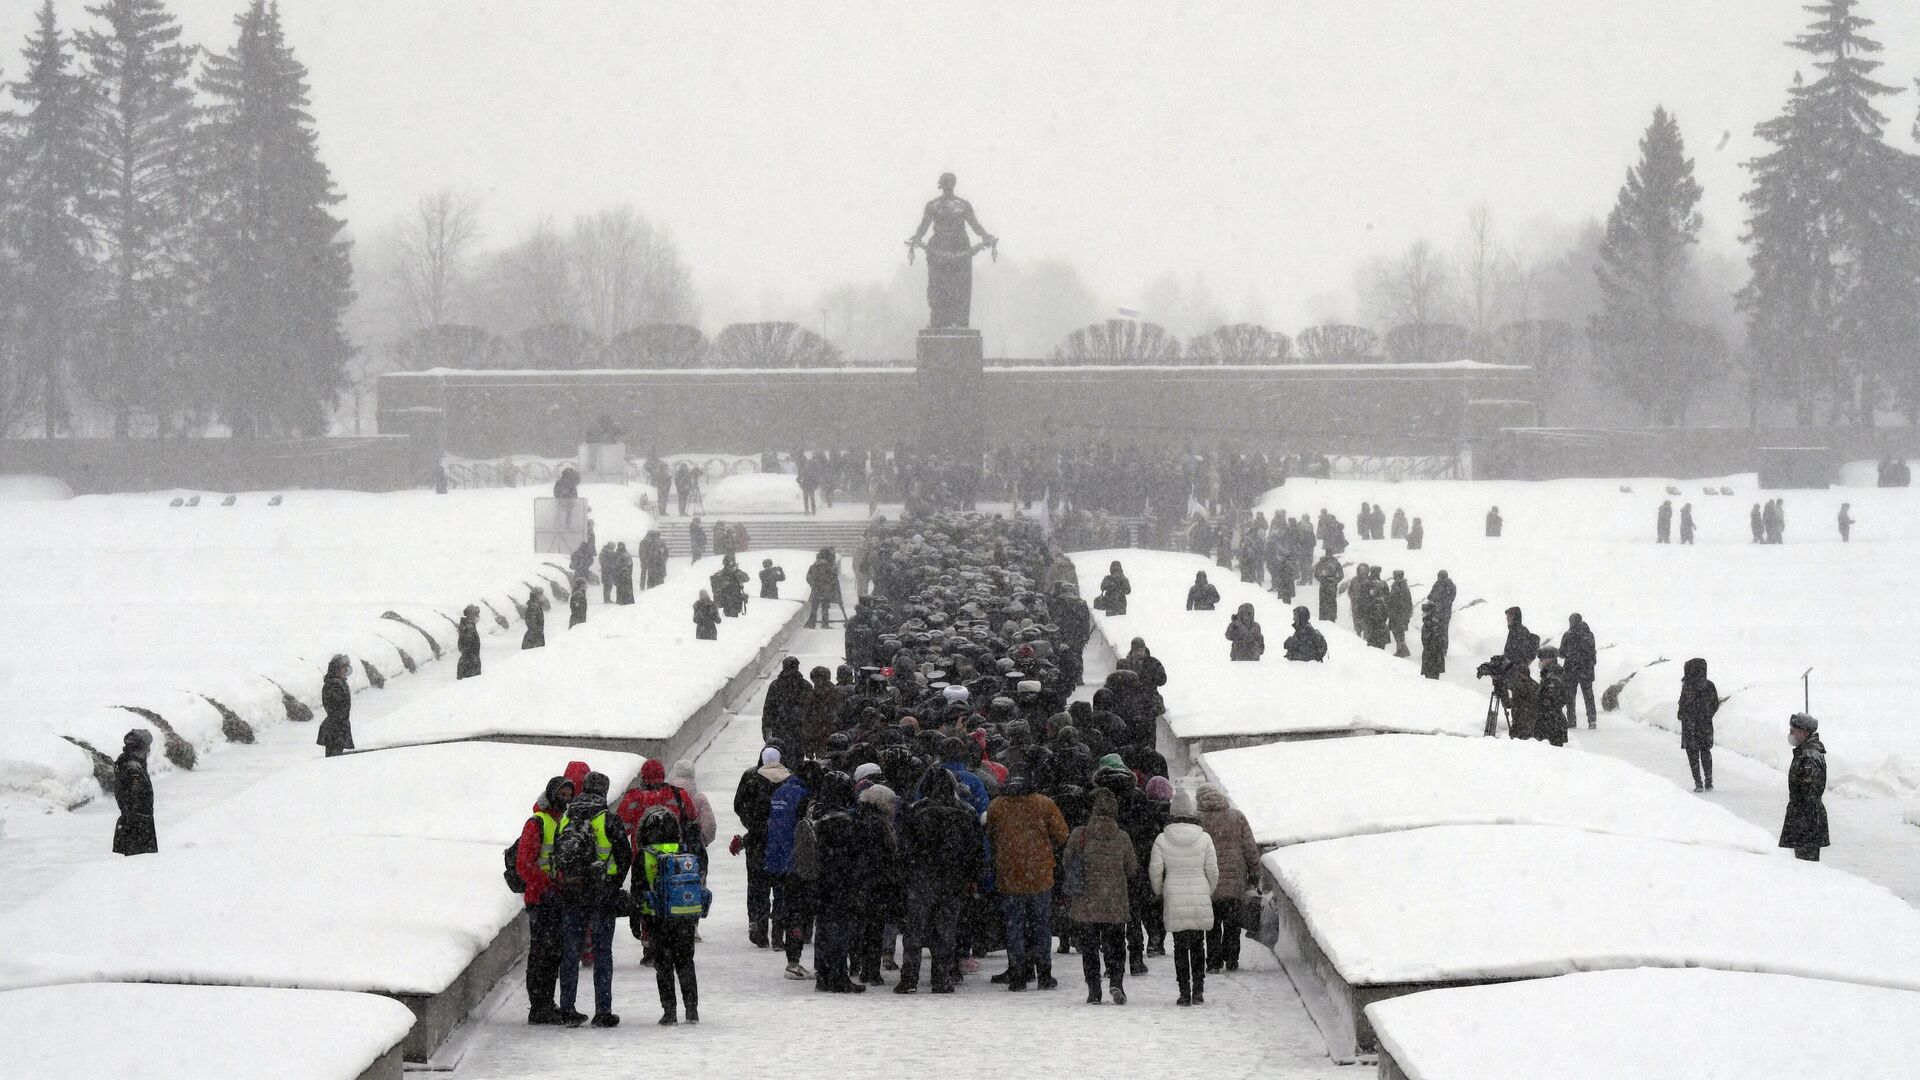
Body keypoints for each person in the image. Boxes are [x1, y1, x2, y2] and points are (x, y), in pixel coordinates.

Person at [898, 766, 983, 995]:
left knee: (914, 931)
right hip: (953, 879)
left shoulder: (916, 811)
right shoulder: (966, 812)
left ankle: (909, 978)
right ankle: (942, 977)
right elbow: (975, 850)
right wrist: (972, 876)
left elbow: (905, 849)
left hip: (921, 878)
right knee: (946, 931)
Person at [984, 771, 1070, 991]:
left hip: (1009, 875)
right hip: (1040, 875)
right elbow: (1061, 835)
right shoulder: (1045, 804)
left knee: (1015, 927)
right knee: (1041, 926)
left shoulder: (997, 805)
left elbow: (991, 834)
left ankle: (1018, 975)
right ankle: (1044, 974)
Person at [558, 771, 630, 1028]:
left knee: (570, 953)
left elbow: (559, 853)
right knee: (602, 953)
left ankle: (567, 1008)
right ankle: (603, 1011)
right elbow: (625, 855)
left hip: (571, 893)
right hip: (601, 895)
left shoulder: (566, 817)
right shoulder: (607, 819)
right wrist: (614, 884)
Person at [516, 771, 579, 1024]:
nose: (566, 799)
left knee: (553, 953)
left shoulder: (562, 821)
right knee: (542, 953)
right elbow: (525, 864)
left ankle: (545, 1003)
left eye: (569, 795)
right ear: (552, 795)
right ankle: (539, 1006)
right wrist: (549, 884)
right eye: (562, 794)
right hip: (542, 899)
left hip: (556, 897)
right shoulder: (538, 822)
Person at [1065, 786, 1137, 1004]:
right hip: (1114, 902)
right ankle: (1116, 982)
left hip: (1087, 902)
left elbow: (1067, 862)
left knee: (1090, 948)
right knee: (1115, 946)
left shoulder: (1080, 834)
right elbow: (1132, 868)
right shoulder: (1123, 837)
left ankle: (1094, 989)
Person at [633, 805, 703, 1024]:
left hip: (656, 919)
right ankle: (692, 1010)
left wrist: (636, 922)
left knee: (663, 966)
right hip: (683, 916)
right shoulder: (682, 851)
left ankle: (669, 1011)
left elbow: (637, 891)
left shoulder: (644, 856)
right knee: (685, 963)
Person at [1150, 788, 1218, 1007]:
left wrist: (1160, 890)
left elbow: (1155, 870)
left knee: (1180, 946)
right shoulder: (1204, 838)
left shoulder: (1162, 838)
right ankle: (1199, 990)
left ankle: (1184, 992)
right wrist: (1209, 889)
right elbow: (1213, 871)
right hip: (1199, 892)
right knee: (1198, 945)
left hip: (1174, 895)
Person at [1195, 784, 1258, 975]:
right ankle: (1231, 958)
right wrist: (1255, 872)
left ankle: (1213, 962)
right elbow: (1250, 847)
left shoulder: (1198, 819)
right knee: (1232, 921)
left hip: (1209, 879)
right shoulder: (1236, 816)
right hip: (1235, 878)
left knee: (1212, 923)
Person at [733, 747, 789, 949]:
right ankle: (777, 933)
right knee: (781, 890)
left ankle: (760, 929)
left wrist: (752, 826)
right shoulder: (788, 780)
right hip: (782, 843)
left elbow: (739, 805)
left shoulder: (752, 779)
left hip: (757, 842)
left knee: (759, 888)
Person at [1781, 713, 1829, 861]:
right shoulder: (1805, 752)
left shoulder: (1809, 756)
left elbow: (1809, 790)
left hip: (1807, 820)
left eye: (1792, 731)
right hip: (1804, 817)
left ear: (1803, 733)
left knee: (1806, 865)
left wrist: (1800, 818)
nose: (1790, 734)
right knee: (1803, 863)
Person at [111, 728, 157, 855]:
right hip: (137, 825)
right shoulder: (133, 768)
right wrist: (138, 818)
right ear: (140, 747)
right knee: (138, 863)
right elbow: (134, 795)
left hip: (136, 822)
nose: (149, 750)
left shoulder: (129, 762)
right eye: (147, 746)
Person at [1678, 657, 1719, 792]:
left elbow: (1683, 706)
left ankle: (1698, 782)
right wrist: (1707, 715)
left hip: (1690, 726)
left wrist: (1684, 715)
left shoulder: (1688, 686)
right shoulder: (1709, 685)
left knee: (1693, 754)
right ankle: (1709, 780)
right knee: (1705, 751)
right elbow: (1715, 704)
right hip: (1705, 725)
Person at [762, 657, 812, 749]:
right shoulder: (805, 686)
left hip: (780, 728)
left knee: (781, 756)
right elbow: (811, 711)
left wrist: (766, 728)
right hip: (798, 730)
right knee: (796, 758)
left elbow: (768, 709)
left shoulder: (775, 685)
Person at [667, 760, 718, 850]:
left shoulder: (666, 796)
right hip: (693, 848)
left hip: (669, 847)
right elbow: (710, 825)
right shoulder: (700, 798)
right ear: (693, 775)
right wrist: (701, 841)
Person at [1562, 614, 1597, 729]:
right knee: (1588, 696)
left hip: (1571, 670)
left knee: (1570, 697)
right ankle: (1592, 720)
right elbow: (1592, 652)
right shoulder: (1589, 634)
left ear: (1571, 621)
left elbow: (1562, 653)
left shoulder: (1568, 635)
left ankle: (1571, 721)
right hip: (1586, 670)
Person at [317, 654, 353, 757]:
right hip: (335, 729)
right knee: (334, 759)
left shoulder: (337, 683)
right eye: (343, 668)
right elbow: (335, 708)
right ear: (337, 669)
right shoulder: (334, 685)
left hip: (337, 727)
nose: (346, 671)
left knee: (335, 757)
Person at [805, 549, 837, 629]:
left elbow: (808, 578)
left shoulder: (813, 567)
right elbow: (832, 579)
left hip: (816, 590)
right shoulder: (828, 567)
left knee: (814, 608)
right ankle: (825, 624)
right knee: (825, 608)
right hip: (825, 590)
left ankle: (812, 624)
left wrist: (813, 585)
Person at [1386, 570, 1413, 658]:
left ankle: (1402, 650)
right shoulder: (1404, 585)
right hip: (1402, 613)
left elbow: (1393, 600)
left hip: (1397, 613)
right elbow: (1408, 600)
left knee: (1397, 631)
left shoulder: (1397, 585)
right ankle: (1401, 649)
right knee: (1399, 632)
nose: (1393, 576)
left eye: (1394, 574)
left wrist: (1388, 602)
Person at [1313, 552, 1343, 623]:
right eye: (1327, 554)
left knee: (1331, 601)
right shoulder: (1322, 563)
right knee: (1325, 601)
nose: (1328, 556)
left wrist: (1335, 581)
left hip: (1330, 585)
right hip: (1326, 585)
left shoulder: (1335, 563)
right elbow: (1316, 574)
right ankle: (1324, 618)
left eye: (1329, 554)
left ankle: (1331, 618)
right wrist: (1322, 580)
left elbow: (1341, 575)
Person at [1418, 602, 1446, 679]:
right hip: (1432, 658)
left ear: (1429, 612)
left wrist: (1430, 656)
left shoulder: (1431, 625)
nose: (1423, 614)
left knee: (1431, 680)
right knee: (1431, 679)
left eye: (1424, 612)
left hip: (1432, 659)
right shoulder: (1431, 623)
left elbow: (1434, 643)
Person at [456, 605, 482, 679]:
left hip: (466, 665)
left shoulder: (467, 627)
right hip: (469, 667)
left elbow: (461, 647)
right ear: (473, 616)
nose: (479, 617)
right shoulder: (470, 629)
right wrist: (474, 663)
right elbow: (468, 649)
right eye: (477, 615)